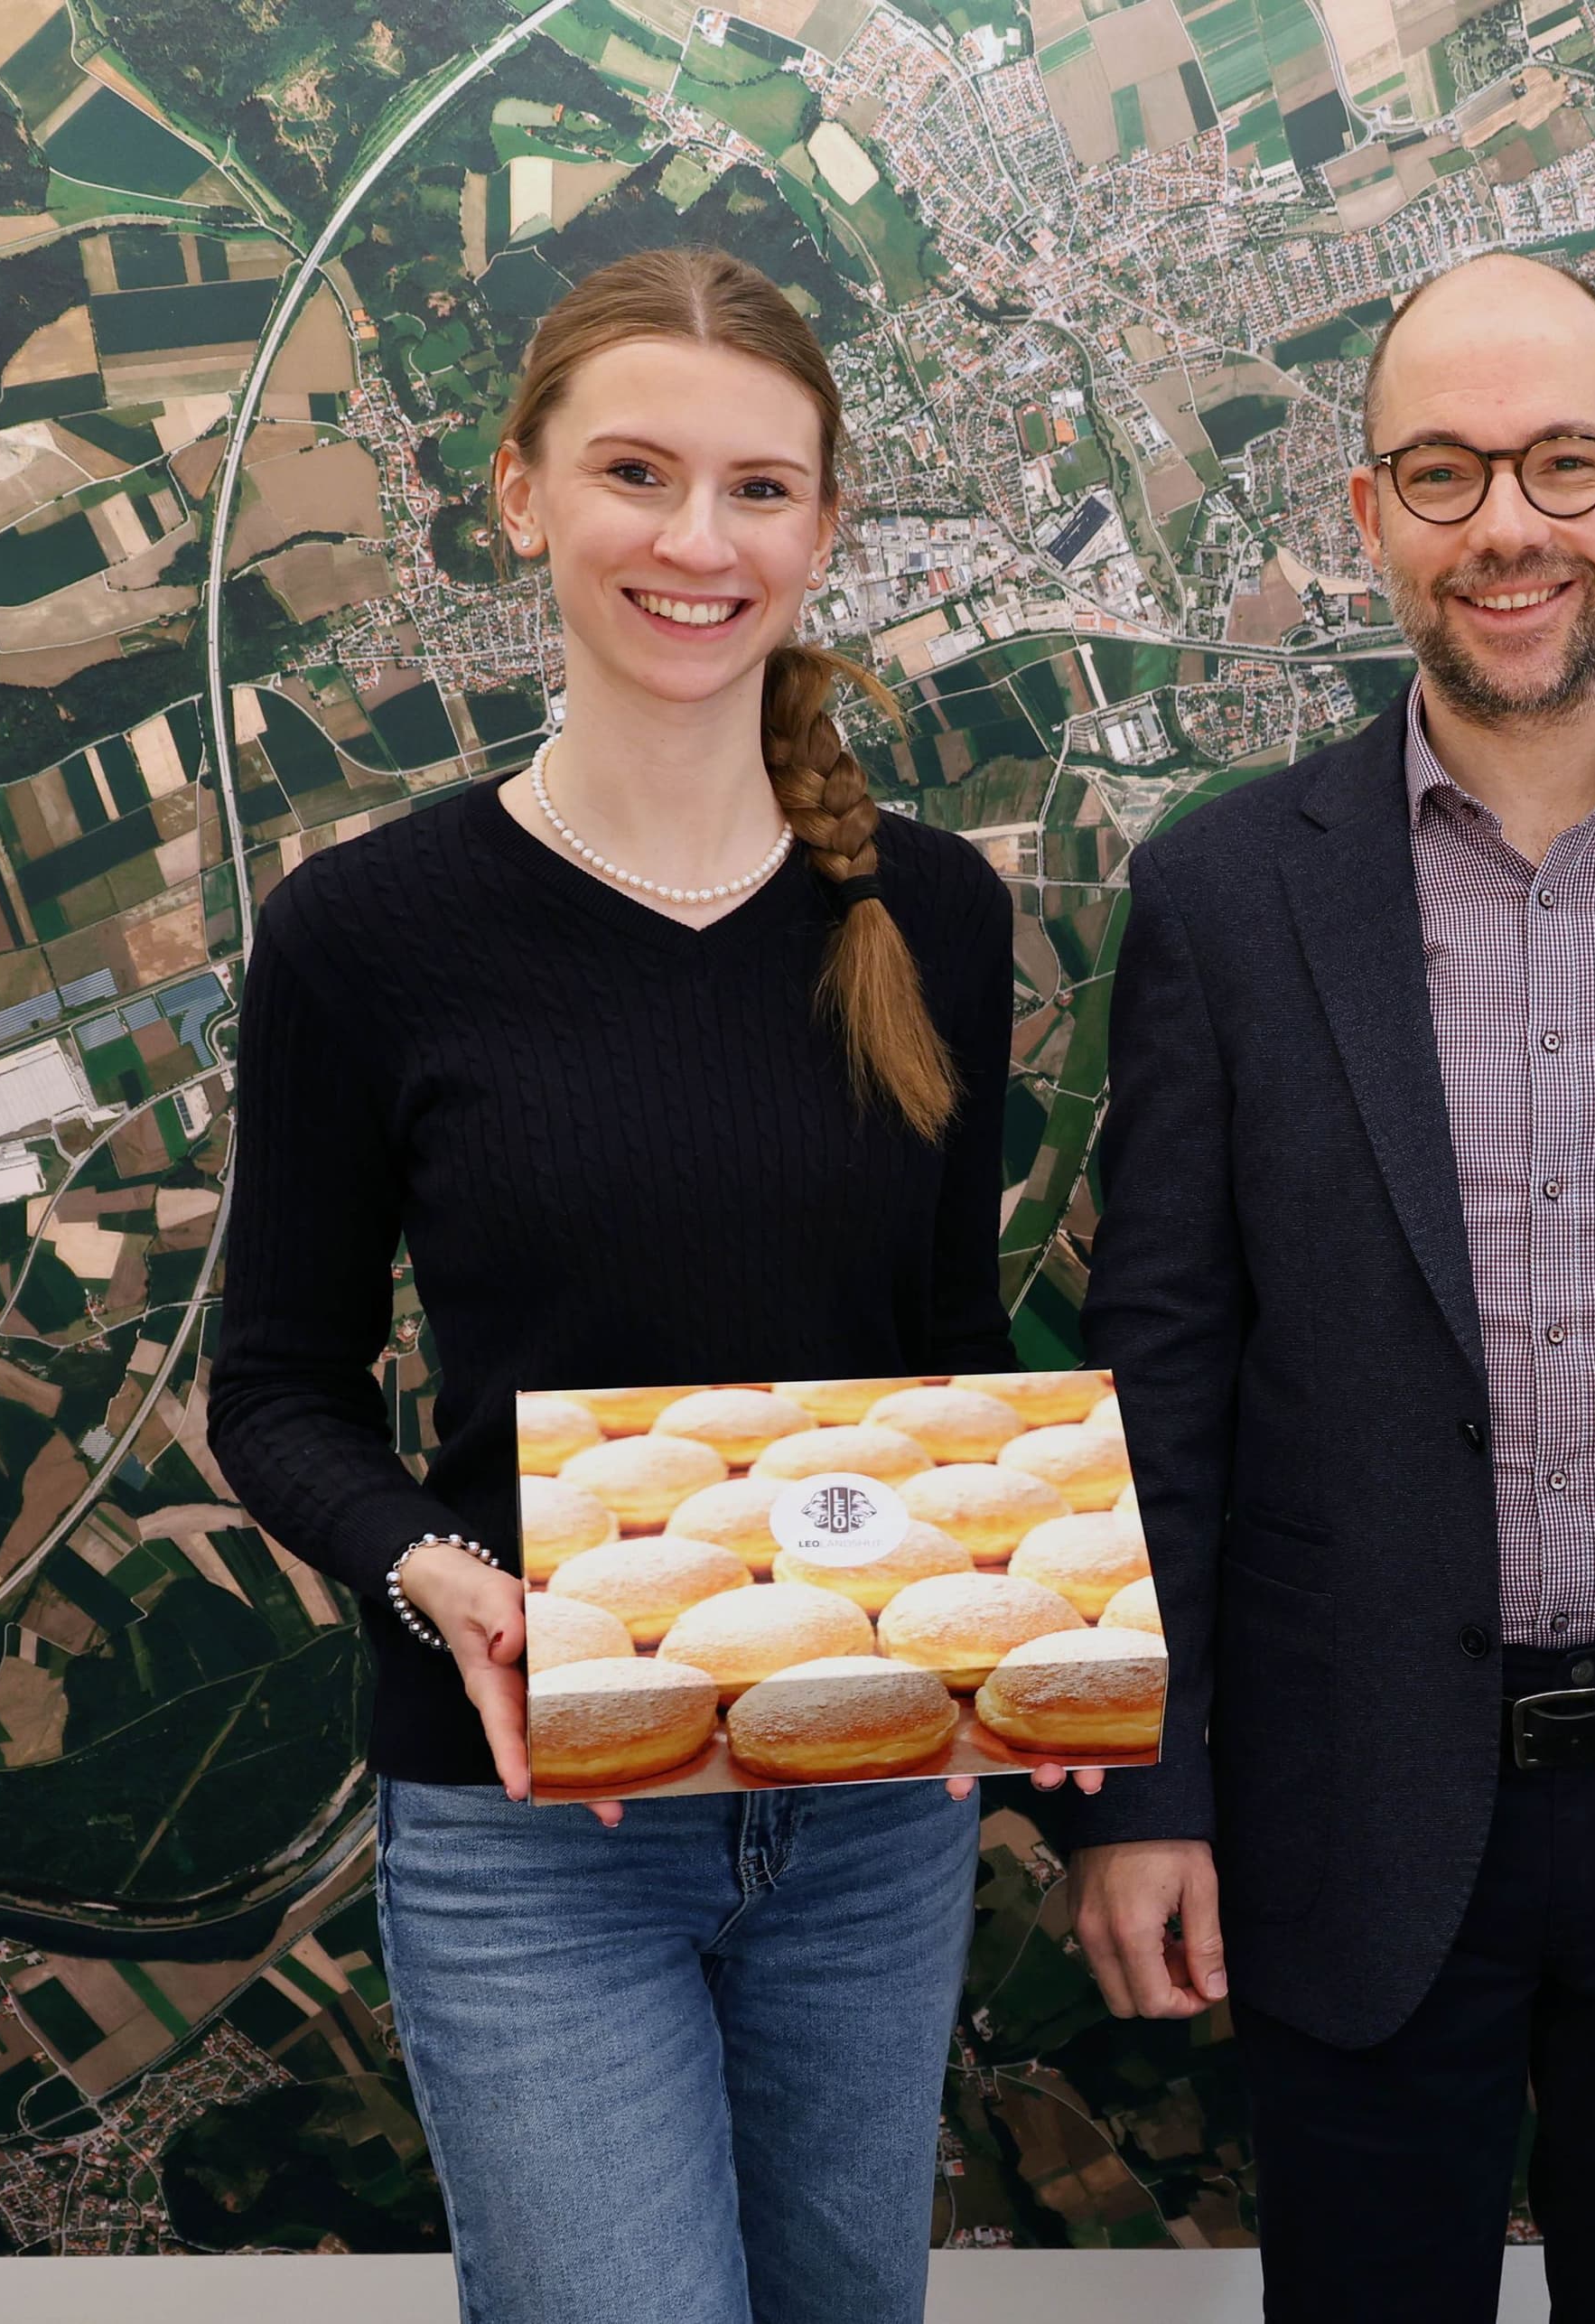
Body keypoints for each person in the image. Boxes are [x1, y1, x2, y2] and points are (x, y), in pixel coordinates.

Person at [1045, 251, 1595, 2322]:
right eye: (1441, 474)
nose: (1506, 525)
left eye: (1562, 464)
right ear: (1367, 516)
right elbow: (1157, 1363)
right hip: (1342, 1811)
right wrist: (1138, 1784)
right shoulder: (1228, 892)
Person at [211, 247, 1020, 2324]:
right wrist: (440, 1576)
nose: (696, 540)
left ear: (825, 529)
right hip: (525, 1819)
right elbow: (278, 1387)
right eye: (637, 473)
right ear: (519, 495)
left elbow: (949, 1352)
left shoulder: (930, 909)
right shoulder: (362, 935)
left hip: (868, 1815)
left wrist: (1018, 1622)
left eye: (761, 490)